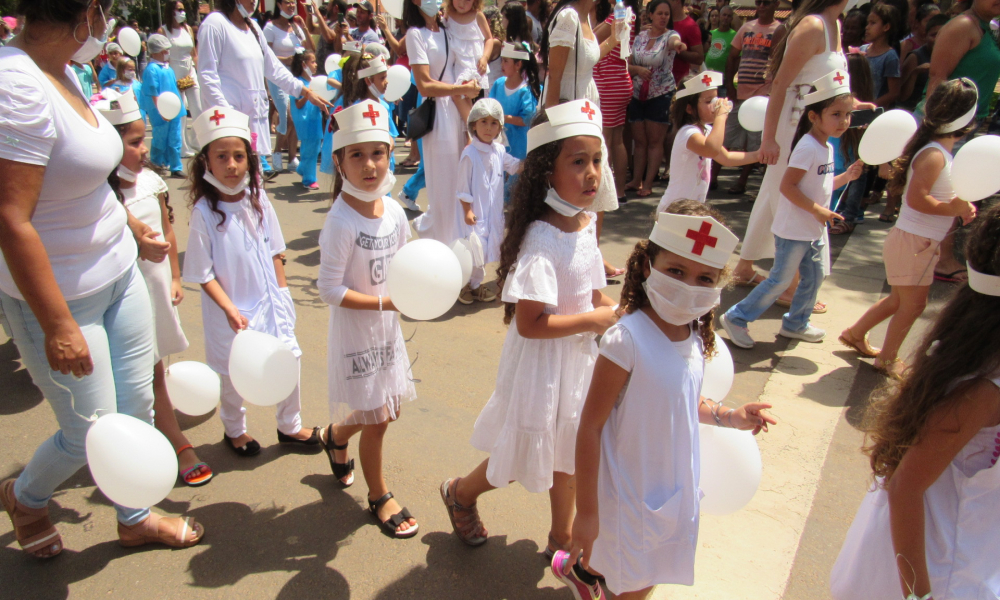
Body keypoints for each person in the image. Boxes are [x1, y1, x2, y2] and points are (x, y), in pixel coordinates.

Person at [0, 0, 204, 556]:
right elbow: (10, 218)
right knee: (88, 430)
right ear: (86, 11)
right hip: (62, 297)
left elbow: (87, 182)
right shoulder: (15, 85)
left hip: (120, 273)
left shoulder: (60, 66)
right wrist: (57, 322)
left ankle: (134, 515)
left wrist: (132, 226)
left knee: (135, 408)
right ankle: (26, 496)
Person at [553, 202, 775, 600]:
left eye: (704, 278)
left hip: (671, 491)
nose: (689, 286)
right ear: (646, 267)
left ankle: (587, 577)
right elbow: (590, 427)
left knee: (649, 576)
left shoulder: (692, 333)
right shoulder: (627, 339)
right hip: (629, 496)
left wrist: (730, 416)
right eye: (676, 271)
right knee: (634, 588)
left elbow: (680, 400)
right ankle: (587, 576)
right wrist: (586, 514)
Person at [440, 100, 618, 553]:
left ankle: (561, 535)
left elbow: (594, 291)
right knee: (520, 455)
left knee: (571, 450)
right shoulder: (542, 239)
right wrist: (594, 320)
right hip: (542, 364)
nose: (592, 173)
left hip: (577, 361)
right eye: (577, 162)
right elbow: (531, 323)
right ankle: (460, 493)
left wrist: (618, 313)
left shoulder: (585, 221)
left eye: (596, 160)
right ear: (545, 172)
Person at [829, 202, 1000, 600]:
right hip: (936, 568)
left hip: (964, 549)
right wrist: (918, 594)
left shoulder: (974, 354)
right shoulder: (980, 389)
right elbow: (906, 487)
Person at [182, 107, 323, 456]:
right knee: (233, 372)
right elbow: (203, 274)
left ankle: (289, 426)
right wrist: (229, 309)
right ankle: (235, 430)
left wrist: (283, 291)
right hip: (230, 311)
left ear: (250, 160)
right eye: (222, 157)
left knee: (288, 358)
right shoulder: (204, 212)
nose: (231, 165)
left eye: (238, 156)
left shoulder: (258, 199)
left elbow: (276, 250)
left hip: (271, 301)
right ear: (207, 163)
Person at [96, 90, 212, 488]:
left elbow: (166, 229)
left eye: (143, 138)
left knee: (154, 366)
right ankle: (164, 439)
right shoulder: (96, 193)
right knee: (136, 373)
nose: (143, 149)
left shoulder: (151, 181)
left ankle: (158, 434)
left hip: (155, 287)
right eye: (133, 142)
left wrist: (176, 277)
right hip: (118, 293)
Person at [316, 102, 419, 538]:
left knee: (385, 408)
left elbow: (409, 265)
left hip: (387, 329)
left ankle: (335, 436)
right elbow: (330, 289)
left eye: (378, 152)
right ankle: (379, 494)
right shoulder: (340, 221)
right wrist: (383, 304)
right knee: (379, 416)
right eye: (356, 155)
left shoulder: (394, 212)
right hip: (359, 330)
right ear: (338, 162)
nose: (370, 165)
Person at [838, 79, 978, 380]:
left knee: (899, 300)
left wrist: (958, 206)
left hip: (915, 241)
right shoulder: (935, 154)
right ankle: (888, 359)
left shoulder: (937, 150)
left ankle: (855, 333)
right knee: (913, 305)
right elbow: (916, 199)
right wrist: (953, 208)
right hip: (916, 242)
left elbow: (931, 195)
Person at [720, 69, 862, 349]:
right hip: (794, 230)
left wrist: (846, 178)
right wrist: (818, 211)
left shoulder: (827, 146)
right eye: (836, 114)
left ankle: (796, 323)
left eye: (847, 114)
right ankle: (737, 317)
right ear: (814, 116)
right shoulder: (807, 147)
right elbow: (788, 186)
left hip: (812, 230)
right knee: (780, 280)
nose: (843, 121)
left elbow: (818, 186)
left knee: (815, 277)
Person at [731, 0, 849, 297]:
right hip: (793, 125)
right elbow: (780, 82)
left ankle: (747, 267)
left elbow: (829, 82)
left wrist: (851, 106)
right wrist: (769, 138)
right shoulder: (812, 26)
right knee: (790, 194)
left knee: (776, 192)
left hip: (816, 124)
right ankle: (791, 282)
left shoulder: (836, 24)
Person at [197, 0, 331, 178]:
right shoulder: (215, 24)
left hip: (253, 121)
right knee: (231, 187)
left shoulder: (252, 26)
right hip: (231, 124)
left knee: (254, 183)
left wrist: (305, 91)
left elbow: (273, 68)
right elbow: (207, 76)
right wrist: (229, 118)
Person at [920, 0, 1000, 283]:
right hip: (948, 125)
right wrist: (936, 129)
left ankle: (938, 256)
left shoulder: (985, 27)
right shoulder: (963, 26)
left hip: (965, 125)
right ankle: (941, 259)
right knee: (946, 191)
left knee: (954, 190)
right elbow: (937, 77)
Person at [541, 0, 623, 276]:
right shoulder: (568, 17)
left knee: (593, 181)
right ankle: (567, 257)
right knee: (573, 181)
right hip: (569, 106)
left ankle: (591, 255)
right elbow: (555, 74)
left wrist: (614, 38)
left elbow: (588, 58)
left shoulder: (586, 18)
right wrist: (552, 124)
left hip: (587, 103)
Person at [405, 0, 481, 245]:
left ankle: (458, 246)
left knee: (462, 183)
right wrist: (460, 88)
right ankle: (440, 245)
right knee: (444, 186)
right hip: (438, 115)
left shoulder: (446, 28)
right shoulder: (415, 34)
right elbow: (424, 84)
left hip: (459, 110)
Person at [657, 72, 759, 209]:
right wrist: (721, 117)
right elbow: (711, 150)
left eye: (716, 98)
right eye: (708, 101)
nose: (716, 104)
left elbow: (727, 157)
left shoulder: (706, 130)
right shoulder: (688, 133)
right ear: (689, 108)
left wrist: (759, 155)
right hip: (675, 209)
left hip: (692, 208)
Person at [457, 98, 520, 304]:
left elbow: (514, 166)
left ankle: (475, 286)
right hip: (476, 213)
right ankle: (465, 285)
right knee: (474, 250)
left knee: (486, 250)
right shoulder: (470, 154)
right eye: (483, 122)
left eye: (494, 123)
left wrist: (535, 161)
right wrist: (467, 209)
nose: (488, 128)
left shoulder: (499, 150)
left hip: (493, 213)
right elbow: (463, 187)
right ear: (473, 124)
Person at [625, 0, 686, 198]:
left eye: (666, 14)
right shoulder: (641, 36)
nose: (663, 17)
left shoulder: (670, 36)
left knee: (654, 141)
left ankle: (648, 182)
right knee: (639, 140)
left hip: (660, 94)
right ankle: (636, 179)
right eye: (659, 13)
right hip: (637, 92)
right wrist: (636, 70)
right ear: (650, 15)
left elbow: (675, 42)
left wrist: (679, 45)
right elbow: (629, 62)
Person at [593, 0, 637, 203]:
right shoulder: (627, 14)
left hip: (609, 83)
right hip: (619, 79)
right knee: (616, 139)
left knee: (606, 140)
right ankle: (618, 191)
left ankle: (606, 192)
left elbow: (592, 39)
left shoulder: (618, 15)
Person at [264, 0, 313, 172]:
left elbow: (309, 49)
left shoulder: (296, 27)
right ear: (279, 5)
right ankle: (277, 153)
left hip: (295, 77)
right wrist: (286, 60)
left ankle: (292, 158)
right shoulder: (270, 28)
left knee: (295, 118)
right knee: (288, 117)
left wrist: (304, 28)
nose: (291, 6)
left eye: (293, 2)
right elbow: (266, 56)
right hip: (277, 78)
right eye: (287, 2)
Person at [161, 0, 204, 158]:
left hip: (190, 71)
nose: (182, 12)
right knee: (181, 113)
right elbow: (162, 55)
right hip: (174, 72)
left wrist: (198, 71)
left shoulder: (187, 29)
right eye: (179, 9)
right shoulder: (163, 30)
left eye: (183, 9)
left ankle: (197, 141)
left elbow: (194, 52)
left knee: (198, 108)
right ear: (171, 11)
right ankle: (182, 147)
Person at [444, 0, 495, 125]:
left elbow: (489, 39)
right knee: (460, 116)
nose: (462, 3)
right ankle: (471, 136)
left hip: (476, 70)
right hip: (456, 71)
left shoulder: (477, 15)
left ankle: (474, 136)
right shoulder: (448, 16)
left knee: (477, 113)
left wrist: (485, 57)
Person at [489, 41, 541, 162]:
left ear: (518, 64)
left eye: (506, 61)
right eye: (502, 60)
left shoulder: (526, 90)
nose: (502, 64)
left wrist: (503, 117)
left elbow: (527, 119)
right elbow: (491, 105)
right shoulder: (498, 83)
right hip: (499, 141)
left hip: (519, 145)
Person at [142, 34, 185, 177]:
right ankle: (156, 164)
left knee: (175, 138)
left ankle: (175, 167)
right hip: (159, 112)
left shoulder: (168, 68)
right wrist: (161, 110)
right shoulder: (152, 69)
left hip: (174, 110)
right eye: (166, 50)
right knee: (160, 139)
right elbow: (153, 91)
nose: (168, 52)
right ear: (159, 51)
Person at [898, 13, 946, 112]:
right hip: (912, 111)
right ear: (925, 37)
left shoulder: (951, 57)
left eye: (942, 35)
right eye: (933, 35)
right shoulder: (915, 57)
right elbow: (902, 96)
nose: (937, 39)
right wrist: (915, 73)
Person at [290, 49, 324, 189]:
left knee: (315, 147)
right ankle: (309, 180)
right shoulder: (298, 83)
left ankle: (302, 169)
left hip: (315, 118)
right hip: (305, 120)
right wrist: (308, 94)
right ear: (304, 65)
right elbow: (297, 104)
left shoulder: (314, 81)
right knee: (309, 148)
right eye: (313, 61)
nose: (316, 64)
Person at [863, 3, 901, 107]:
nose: (867, 27)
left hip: (873, 112)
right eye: (867, 23)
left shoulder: (890, 56)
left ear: (886, 27)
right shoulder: (862, 50)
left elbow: (894, 93)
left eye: (873, 23)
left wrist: (870, 106)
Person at [705, 5, 735, 77]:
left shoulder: (735, 36)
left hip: (723, 79)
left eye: (729, 16)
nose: (726, 18)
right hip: (707, 78)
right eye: (724, 15)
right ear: (720, 16)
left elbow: (737, 59)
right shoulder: (710, 33)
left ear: (732, 19)